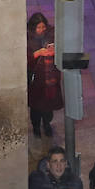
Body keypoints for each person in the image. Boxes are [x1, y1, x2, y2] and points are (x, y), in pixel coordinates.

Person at [26, 12, 63, 140]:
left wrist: (54, 51)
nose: (41, 30)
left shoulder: (51, 34)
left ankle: (47, 124)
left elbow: (61, 51)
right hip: (36, 80)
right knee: (36, 107)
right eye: (38, 27)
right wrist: (37, 53)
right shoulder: (27, 38)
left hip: (50, 78)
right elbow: (24, 60)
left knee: (48, 106)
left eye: (43, 27)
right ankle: (36, 127)